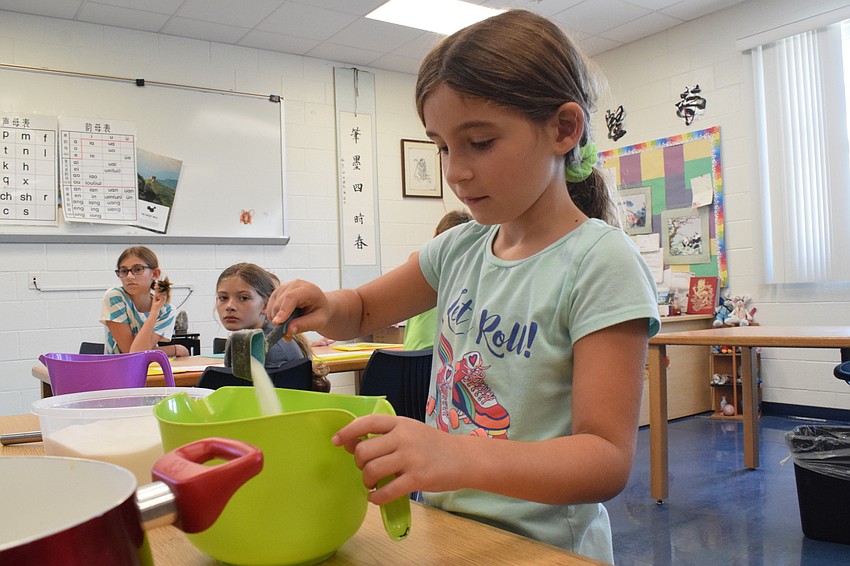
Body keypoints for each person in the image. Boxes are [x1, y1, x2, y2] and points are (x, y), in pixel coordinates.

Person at [267, 10, 659, 562]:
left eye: (479, 142)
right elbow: (361, 309)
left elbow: (604, 460)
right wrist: (324, 304)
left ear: (564, 129)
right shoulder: (460, 248)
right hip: (449, 530)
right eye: (443, 147)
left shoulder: (599, 262)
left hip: (545, 548)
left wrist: (453, 454)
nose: (455, 171)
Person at [216, 262, 330, 391]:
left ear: (266, 304)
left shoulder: (268, 347)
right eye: (223, 298)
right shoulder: (249, 340)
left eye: (243, 298)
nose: (230, 306)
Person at [100, 246, 189, 357]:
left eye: (137, 269)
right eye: (123, 271)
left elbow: (142, 351)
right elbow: (133, 354)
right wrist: (175, 349)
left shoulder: (167, 310)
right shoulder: (115, 297)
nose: (129, 276)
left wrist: (155, 310)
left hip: (150, 370)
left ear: (155, 274)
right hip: (117, 371)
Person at [402, 210, 472, 350]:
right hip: (446, 356)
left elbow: (415, 257)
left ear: (435, 235)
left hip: (415, 356)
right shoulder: (471, 273)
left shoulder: (421, 264)